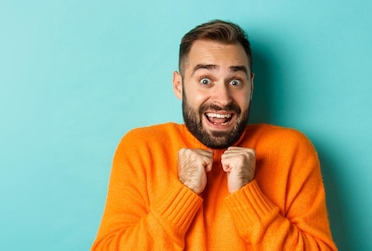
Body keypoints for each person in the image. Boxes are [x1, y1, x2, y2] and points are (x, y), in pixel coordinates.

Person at [91, 20, 337, 250]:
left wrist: (248, 196)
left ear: (251, 86)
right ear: (179, 85)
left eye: (235, 82)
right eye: (206, 80)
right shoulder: (141, 148)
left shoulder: (291, 150)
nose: (223, 99)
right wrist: (183, 191)